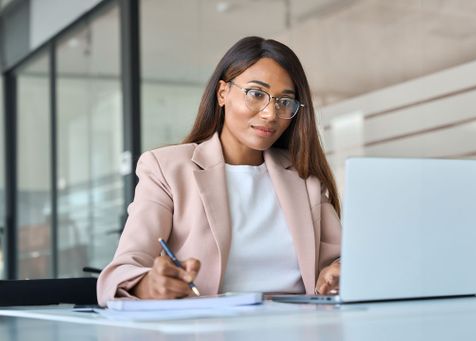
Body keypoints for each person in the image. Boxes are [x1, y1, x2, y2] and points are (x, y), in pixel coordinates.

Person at [97, 36, 341, 306]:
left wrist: (336, 273)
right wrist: (148, 285)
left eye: (285, 102)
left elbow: (338, 263)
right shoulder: (167, 169)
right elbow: (120, 272)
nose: (271, 114)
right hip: (209, 328)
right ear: (222, 93)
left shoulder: (304, 177)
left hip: (299, 326)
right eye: (256, 94)